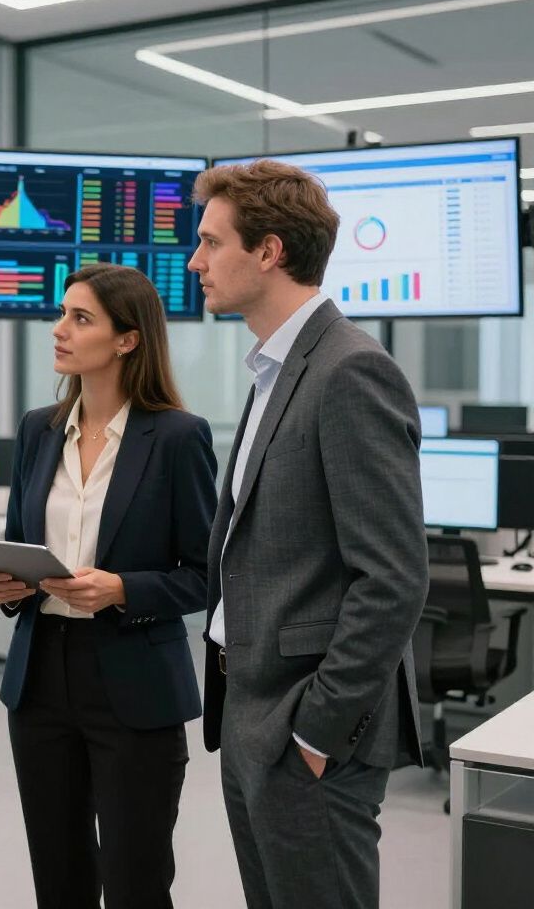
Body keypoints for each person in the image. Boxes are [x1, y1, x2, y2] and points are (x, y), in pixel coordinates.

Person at [188, 160, 428, 909]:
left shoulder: (350, 371)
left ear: (268, 251)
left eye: (210, 242)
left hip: (305, 726)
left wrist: (319, 731)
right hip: (249, 712)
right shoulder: (274, 369)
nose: (196, 261)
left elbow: (392, 578)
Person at [0, 262, 218, 909]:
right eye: (61, 313)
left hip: (134, 680)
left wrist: (123, 590)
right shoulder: (38, 429)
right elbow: (17, 546)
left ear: (127, 339)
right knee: (58, 877)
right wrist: (6, 584)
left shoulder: (177, 438)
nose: (59, 329)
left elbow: (206, 576)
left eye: (80, 318)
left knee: (137, 880)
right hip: (40, 680)